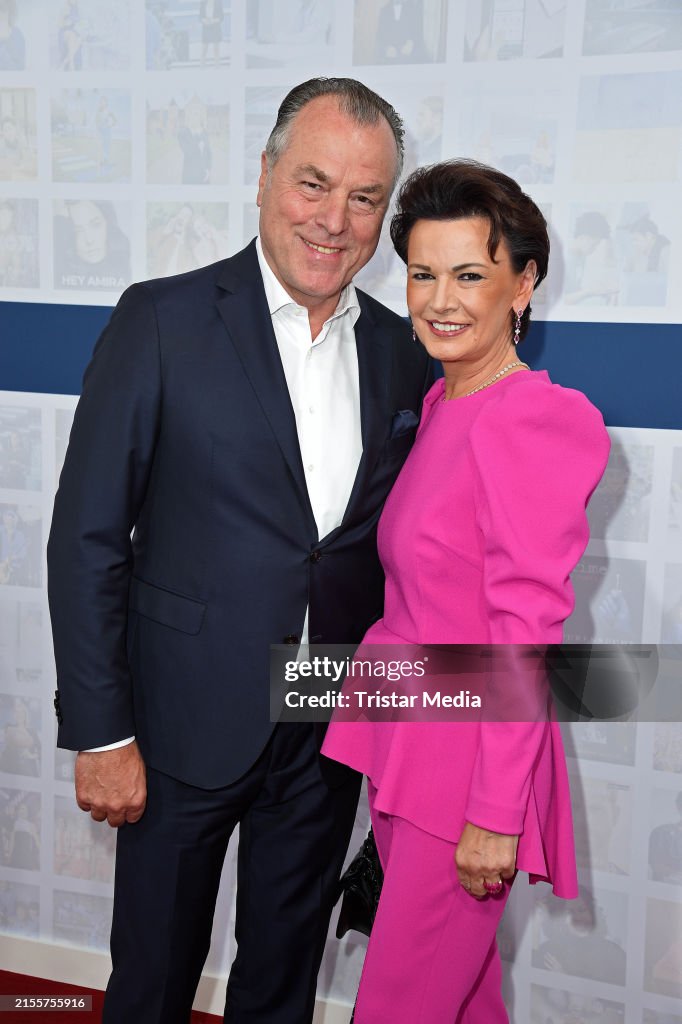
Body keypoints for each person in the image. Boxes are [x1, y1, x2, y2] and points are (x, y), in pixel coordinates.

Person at [47, 77, 431, 1024]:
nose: (335, 220)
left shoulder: (402, 350)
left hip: (323, 723)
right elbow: (87, 535)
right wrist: (102, 733)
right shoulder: (163, 320)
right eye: (313, 183)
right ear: (263, 177)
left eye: (365, 197)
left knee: (281, 985)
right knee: (151, 981)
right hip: (179, 721)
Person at [322, 159, 610, 1022]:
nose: (440, 300)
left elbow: (523, 636)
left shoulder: (534, 419)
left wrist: (492, 814)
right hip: (413, 749)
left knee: (399, 1008)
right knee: (465, 999)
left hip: (465, 782)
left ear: (524, 284)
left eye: (471, 276)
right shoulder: (448, 404)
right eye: (422, 273)